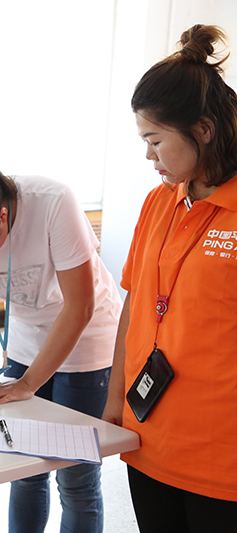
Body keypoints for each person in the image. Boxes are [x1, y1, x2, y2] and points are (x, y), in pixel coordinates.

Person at [0, 152, 122, 533]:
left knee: (75, 476)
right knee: (24, 467)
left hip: (86, 341)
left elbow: (80, 307)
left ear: (3, 216)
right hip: (26, 342)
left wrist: (29, 382)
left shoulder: (52, 202)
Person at [102, 24, 237, 532]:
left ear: (203, 129)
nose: (148, 155)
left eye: (155, 140)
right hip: (149, 435)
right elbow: (135, 304)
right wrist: (114, 401)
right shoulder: (159, 202)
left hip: (222, 452)